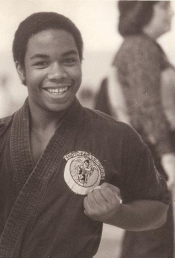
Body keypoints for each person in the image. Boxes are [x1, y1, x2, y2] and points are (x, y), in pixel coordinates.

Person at [0, 12, 170, 258]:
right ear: (21, 70)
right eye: (41, 63)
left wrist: (116, 214)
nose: (57, 73)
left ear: (80, 63)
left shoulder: (116, 136)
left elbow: (158, 209)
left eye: (69, 61)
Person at [98, 2, 175, 258]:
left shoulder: (137, 46)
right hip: (153, 154)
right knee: (154, 238)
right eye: (164, 6)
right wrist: (167, 155)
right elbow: (147, 107)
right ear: (143, 10)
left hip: (146, 154)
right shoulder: (141, 47)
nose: (171, 12)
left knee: (144, 235)